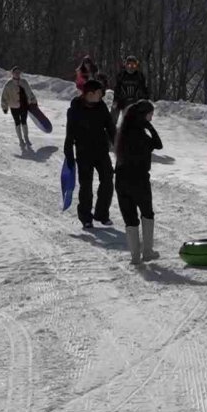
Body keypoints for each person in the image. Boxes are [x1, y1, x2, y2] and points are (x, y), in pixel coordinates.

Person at [114, 100, 163, 265]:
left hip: (121, 180)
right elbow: (158, 144)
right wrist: (149, 127)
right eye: (150, 115)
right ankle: (147, 252)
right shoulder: (141, 136)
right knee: (147, 213)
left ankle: (135, 256)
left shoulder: (122, 134)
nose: (152, 118)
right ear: (143, 116)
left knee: (130, 218)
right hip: (139, 180)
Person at [64, 79, 116, 228]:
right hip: (83, 152)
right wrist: (69, 155)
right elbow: (69, 134)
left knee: (107, 180)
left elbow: (110, 128)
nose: (102, 96)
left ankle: (101, 214)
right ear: (90, 93)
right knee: (86, 186)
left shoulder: (101, 107)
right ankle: (86, 217)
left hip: (101, 151)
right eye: (100, 93)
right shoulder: (75, 110)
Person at [1, 66, 37, 149]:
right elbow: (4, 97)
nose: (17, 74)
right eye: (15, 72)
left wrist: (33, 100)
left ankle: (26, 138)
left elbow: (29, 92)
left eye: (18, 72)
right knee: (17, 122)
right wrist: (4, 107)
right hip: (14, 107)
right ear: (12, 73)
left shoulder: (24, 82)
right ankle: (21, 140)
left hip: (24, 105)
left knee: (24, 122)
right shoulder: (8, 84)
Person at [112, 55, 150, 124]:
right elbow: (117, 88)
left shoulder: (140, 76)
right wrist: (116, 100)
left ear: (136, 66)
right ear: (126, 65)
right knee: (114, 109)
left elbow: (144, 89)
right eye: (129, 65)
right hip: (123, 100)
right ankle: (111, 129)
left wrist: (145, 99)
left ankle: (140, 128)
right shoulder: (121, 75)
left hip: (136, 101)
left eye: (134, 65)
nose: (131, 67)